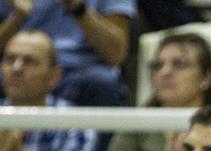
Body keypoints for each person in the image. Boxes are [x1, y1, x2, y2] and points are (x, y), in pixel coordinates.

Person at [0, 0, 133, 107]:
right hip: (22, 60)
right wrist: (18, 17)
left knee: (103, 84)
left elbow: (117, 54)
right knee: (14, 71)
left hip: (84, 72)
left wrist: (78, 9)